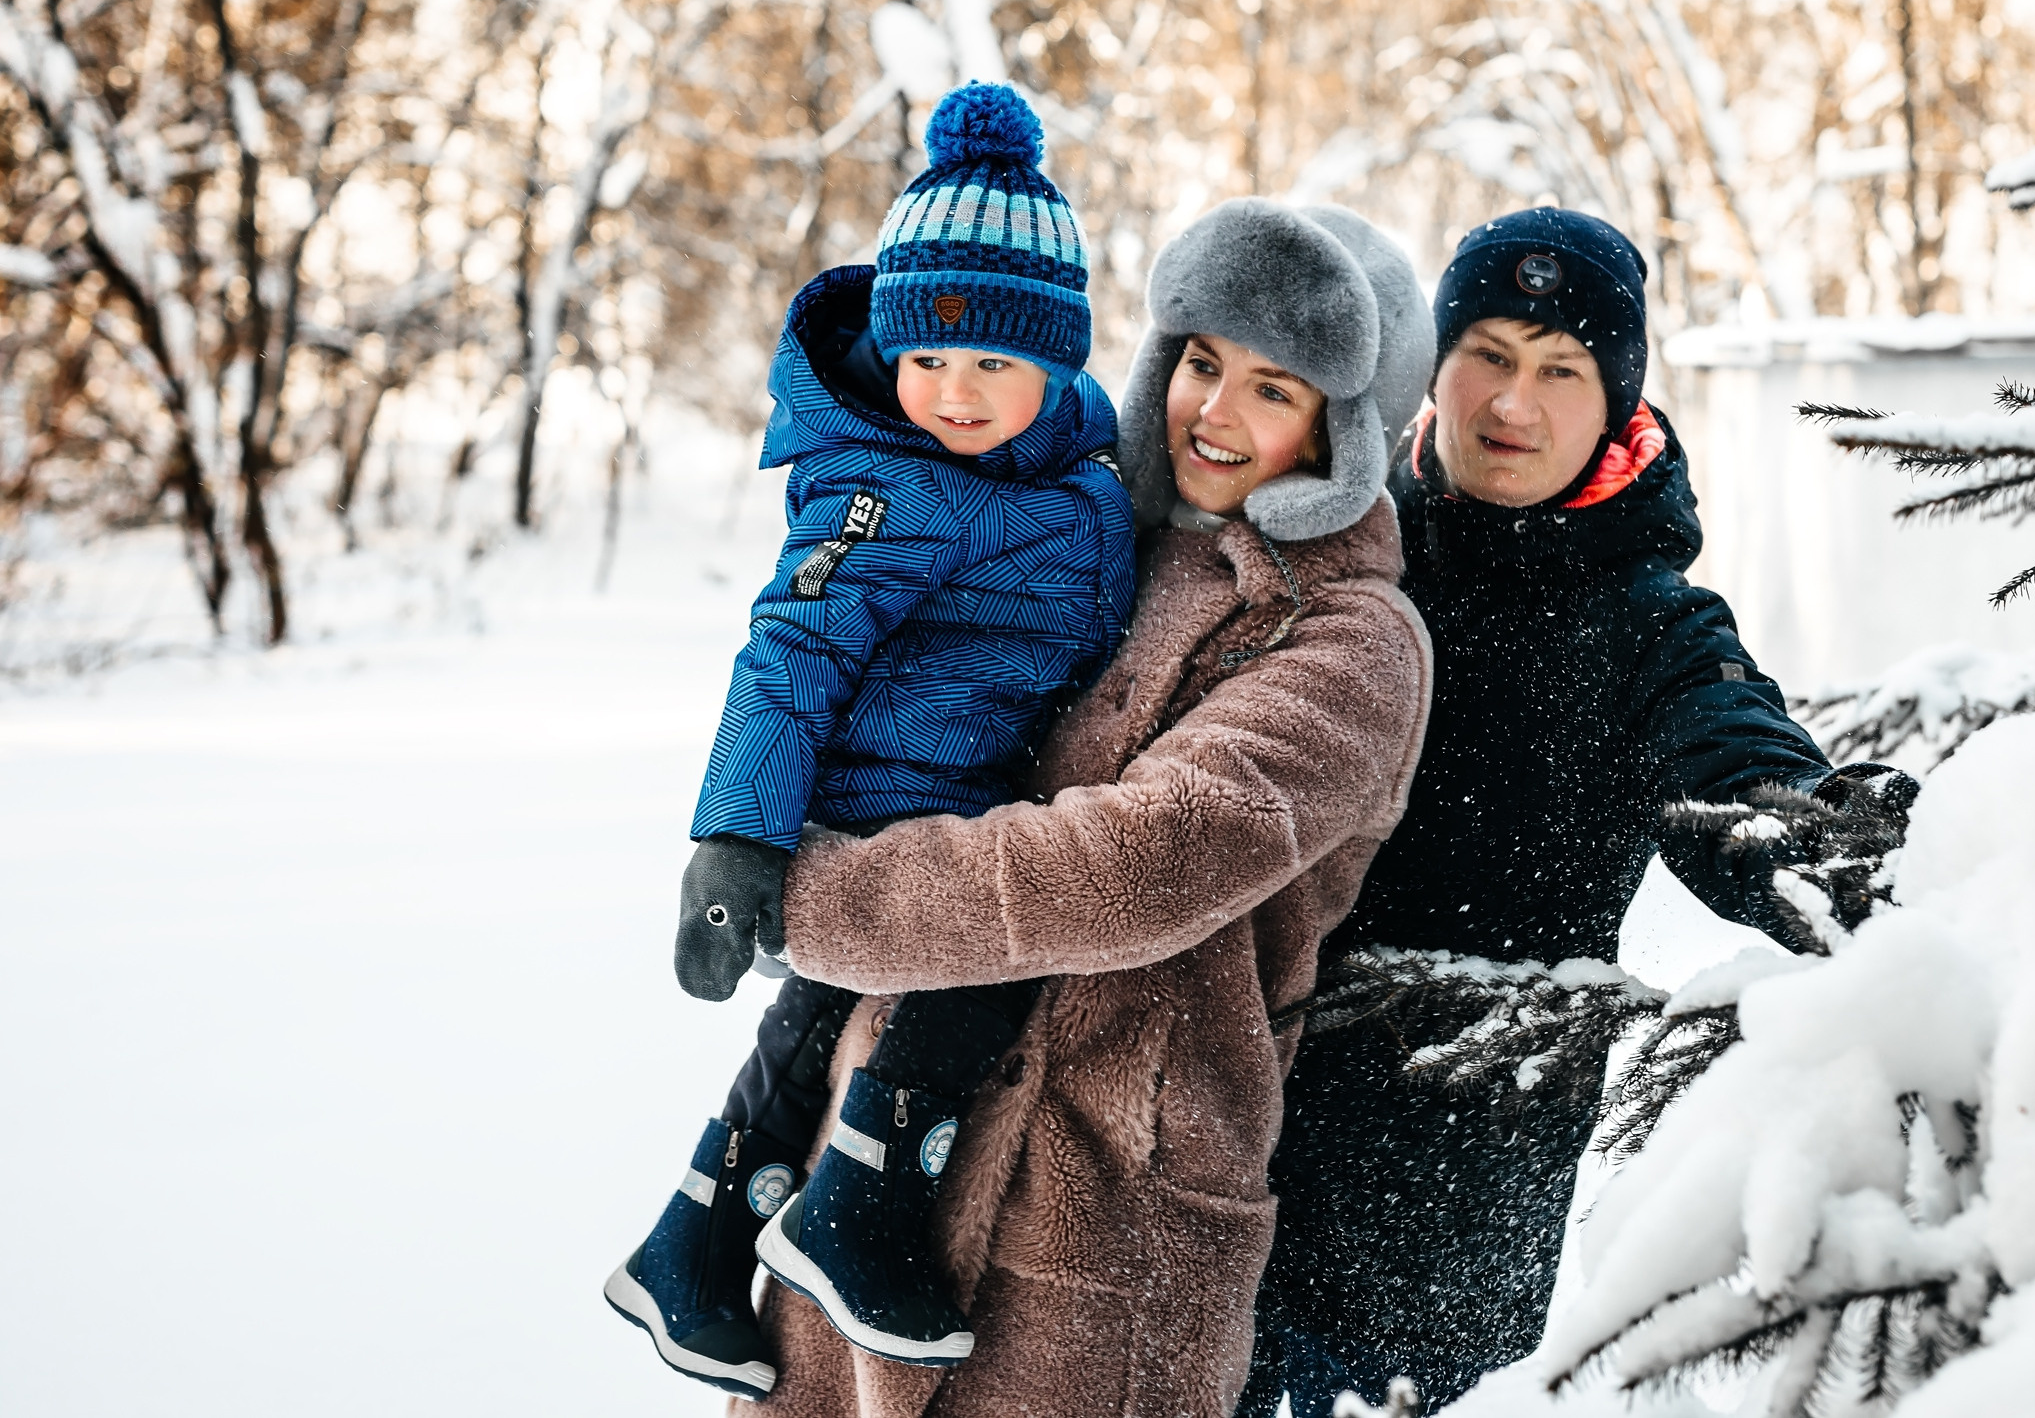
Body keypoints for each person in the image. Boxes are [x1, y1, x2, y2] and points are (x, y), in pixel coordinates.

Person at [744, 197, 1436, 1418]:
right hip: (881, 1156)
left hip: (1102, 1210)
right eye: (1203, 363)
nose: (1213, 414)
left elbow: (1147, 862)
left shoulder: (1354, 638)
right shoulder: (1092, 534)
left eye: (1273, 390)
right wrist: (752, 808)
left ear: (1350, 428)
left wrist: (817, 895)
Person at [1247, 207, 1900, 1417]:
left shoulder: (1648, 623)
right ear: (1432, 369)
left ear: (1618, 407)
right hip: (1229, 1152)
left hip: (1450, 1211)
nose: (1513, 402)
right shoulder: (1339, 541)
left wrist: (1820, 831)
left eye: (1562, 370)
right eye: (1487, 352)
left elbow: (1733, 752)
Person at [604, 82, 1135, 1396]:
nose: (955, 391)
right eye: (929, 359)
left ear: (1056, 360)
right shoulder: (880, 483)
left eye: (993, 364)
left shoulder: (1073, 470)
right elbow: (787, 654)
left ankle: (696, 1233)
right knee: (995, 947)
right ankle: (863, 1199)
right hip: (886, 797)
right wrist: (733, 836)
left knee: (819, 1014)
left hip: (959, 778)